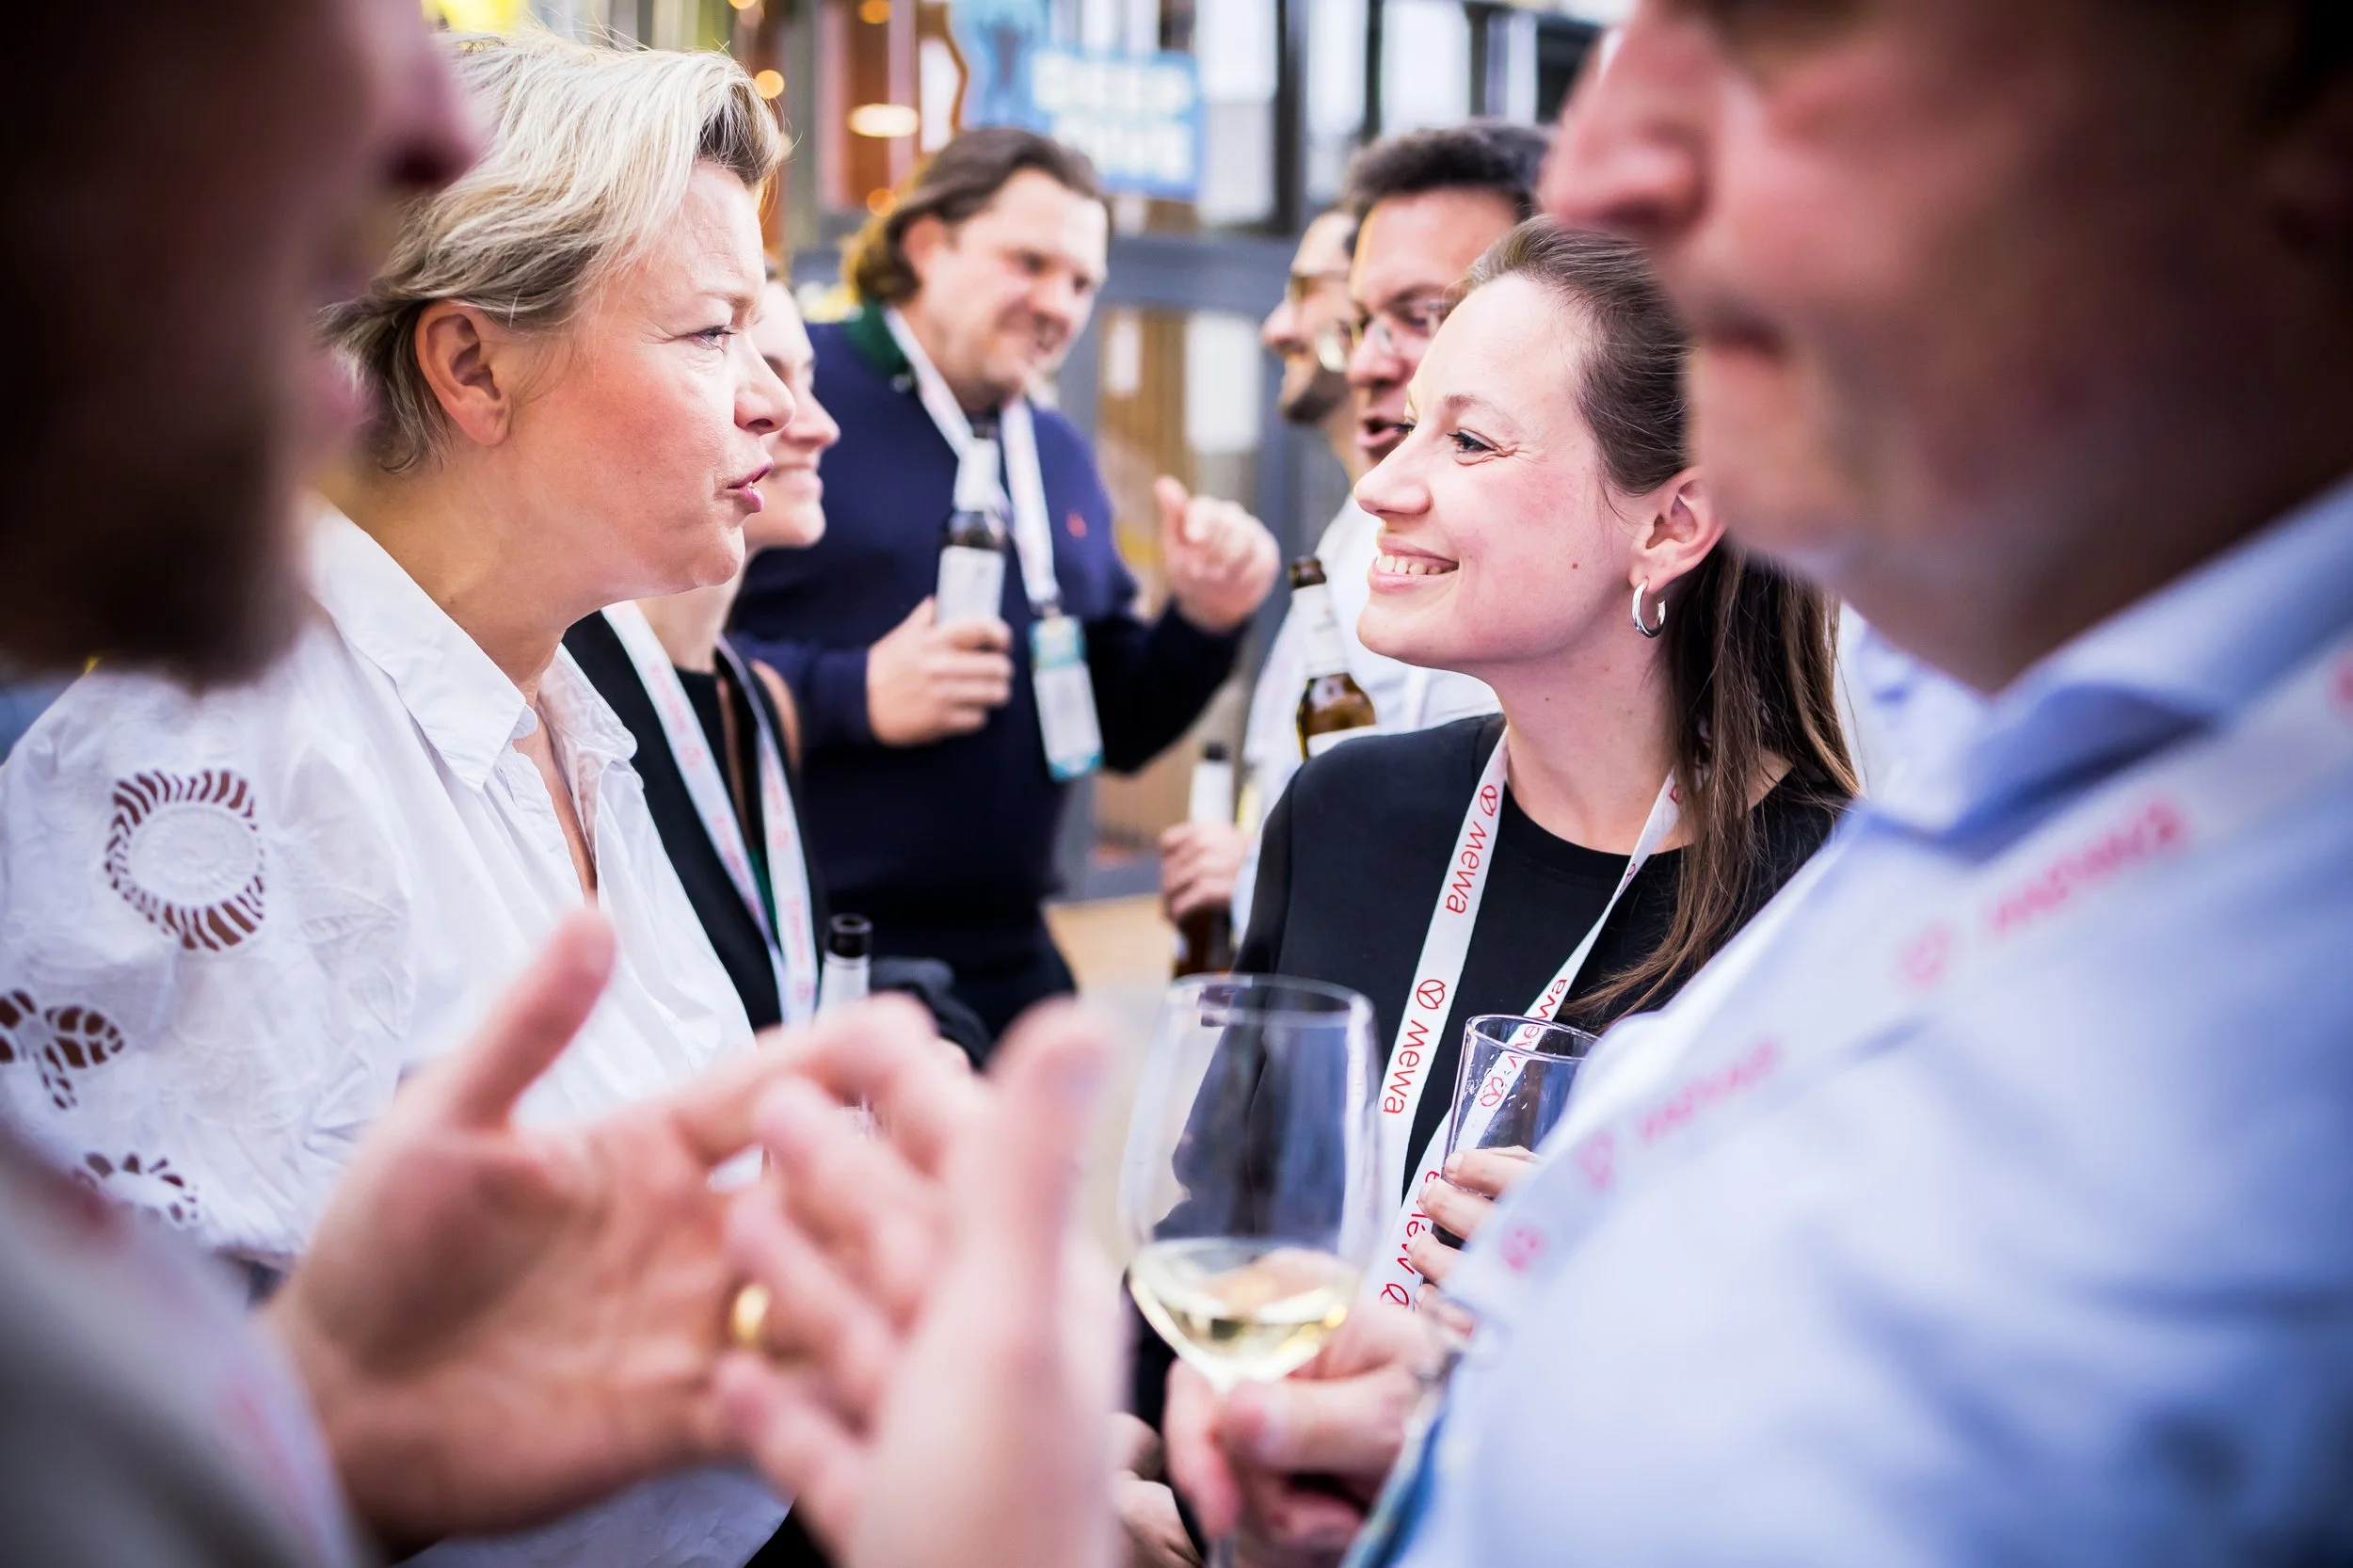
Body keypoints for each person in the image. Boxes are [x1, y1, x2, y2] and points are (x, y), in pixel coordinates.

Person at [713, 0, 2353, 1563]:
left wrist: (1539, 1338)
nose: (1386, 484)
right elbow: (1214, 1256)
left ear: (1673, 523)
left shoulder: (1872, 888)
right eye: (1407, 419)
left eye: (1472, 440)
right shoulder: (1355, 814)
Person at [1, 32, 796, 1567]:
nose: (772, 399)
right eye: (713, 332)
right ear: (472, 367)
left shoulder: (576, 701)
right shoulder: (204, 776)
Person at [729, 127, 1279, 1045]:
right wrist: (853, 693)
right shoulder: (793, 398)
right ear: (925, 244)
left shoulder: (1054, 449)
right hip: (816, 952)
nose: (1059, 304)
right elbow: (644, 645)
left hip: (1017, 957)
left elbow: (1117, 722)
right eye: (1030, 262)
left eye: (1082, 282)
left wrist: (1204, 620)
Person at [1164, 128, 1546, 940]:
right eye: (1361, 320)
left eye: (1426, 314)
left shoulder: (1568, 603)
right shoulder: (1362, 531)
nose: (1366, 362)